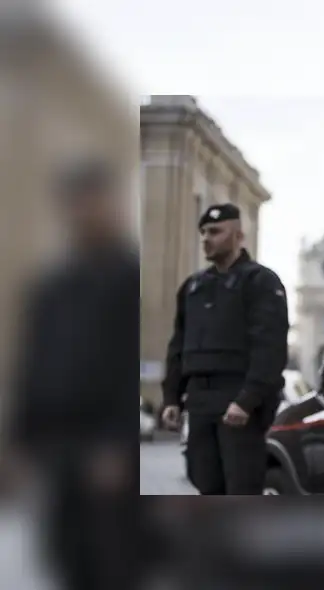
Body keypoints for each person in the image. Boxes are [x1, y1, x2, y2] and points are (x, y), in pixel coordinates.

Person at [4, 157, 139, 589]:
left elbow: (127, 363)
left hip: (106, 447)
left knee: (111, 560)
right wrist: (18, 444)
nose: (84, 211)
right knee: (63, 555)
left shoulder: (128, 278)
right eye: (75, 203)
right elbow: (31, 366)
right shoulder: (52, 286)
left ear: (110, 204)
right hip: (55, 442)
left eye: (92, 201)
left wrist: (119, 440)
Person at [160, 203, 289, 495]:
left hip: (238, 400)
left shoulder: (260, 282)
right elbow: (178, 345)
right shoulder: (193, 287)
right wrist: (171, 398)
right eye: (203, 232)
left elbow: (270, 347)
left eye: (216, 232)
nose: (206, 238)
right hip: (200, 401)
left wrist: (247, 399)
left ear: (238, 237)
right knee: (204, 481)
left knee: (241, 486)